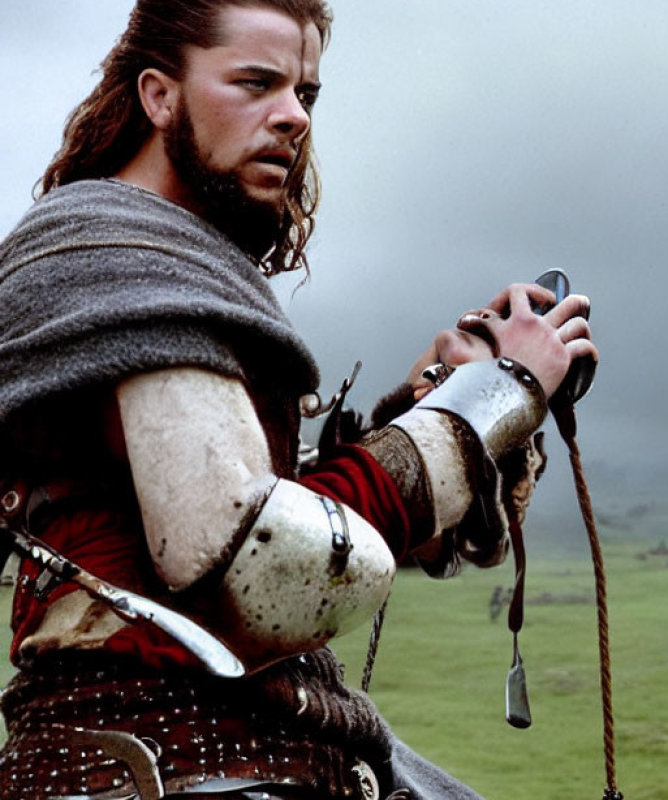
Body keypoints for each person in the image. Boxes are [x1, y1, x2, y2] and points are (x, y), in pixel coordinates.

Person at [0, 1, 597, 798]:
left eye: (305, 94)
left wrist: (425, 407)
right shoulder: (117, 249)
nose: (292, 118)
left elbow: (202, 503)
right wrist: (496, 394)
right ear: (158, 95)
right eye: (256, 83)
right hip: (170, 760)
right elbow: (262, 562)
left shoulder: (169, 261)